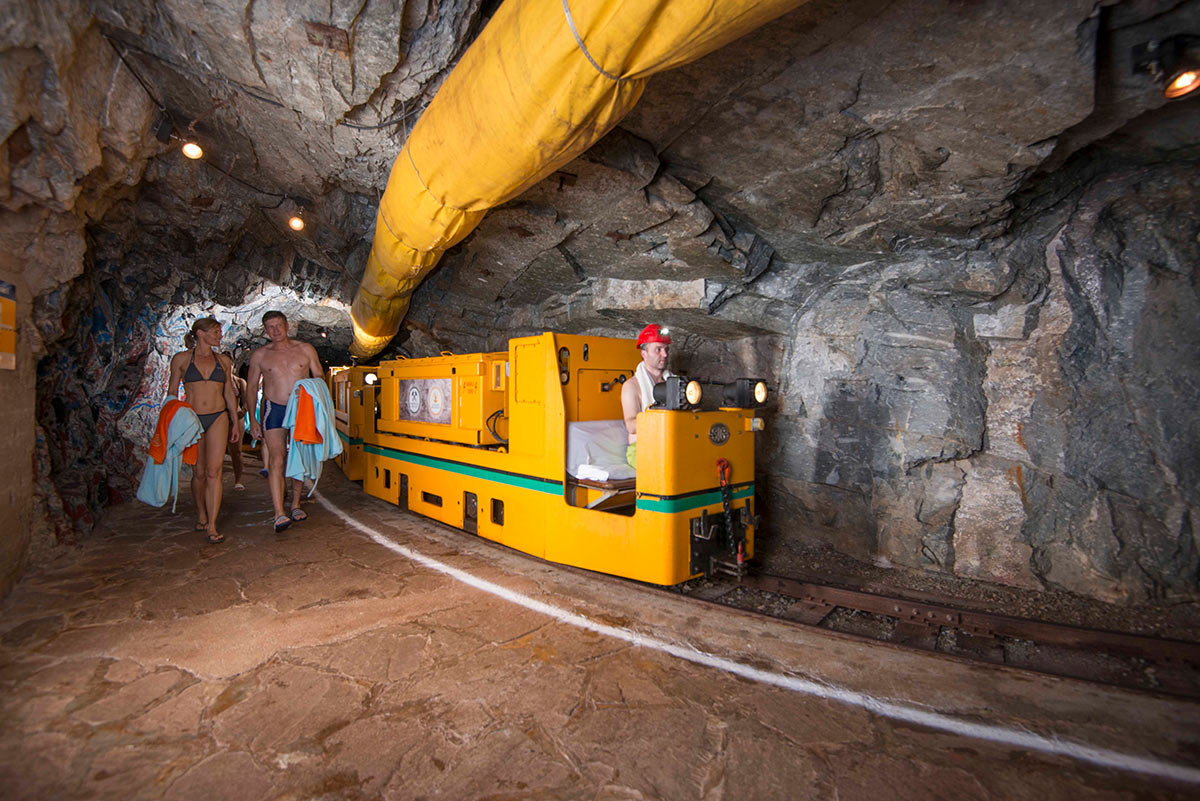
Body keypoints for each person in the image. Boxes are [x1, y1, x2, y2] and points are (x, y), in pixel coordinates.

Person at [246, 311, 324, 533]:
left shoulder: (305, 349)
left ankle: (296, 504)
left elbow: (319, 376)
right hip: (275, 408)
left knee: (298, 454)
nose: (275, 330)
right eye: (270, 327)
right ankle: (279, 511)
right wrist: (252, 419)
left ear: (287, 325)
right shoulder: (260, 355)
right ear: (265, 330)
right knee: (277, 458)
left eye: (278, 325)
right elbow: (251, 388)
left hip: (301, 409)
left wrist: (312, 393)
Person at [166, 318, 240, 543]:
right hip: (193, 418)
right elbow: (171, 393)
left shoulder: (224, 361)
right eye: (216, 331)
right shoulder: (181, 359)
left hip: (218, 416)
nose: (220, 335)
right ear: (200, 333)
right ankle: (201, 514)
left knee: (213, 471)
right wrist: (168, 422)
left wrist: (235, 420)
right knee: (198, 472)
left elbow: (228, 392)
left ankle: (213, 525)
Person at [620, 323, 675, 469]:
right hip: (641, 448)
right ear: (644, 353)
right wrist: (662, 416)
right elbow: (631, 426)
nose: (665, 354)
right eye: (658, 349)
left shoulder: (675, 382)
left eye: (666, 349)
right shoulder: (631, 386)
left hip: (671, 443)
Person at [224, 355, 248, 490]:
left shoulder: (239, 382)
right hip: (221, 417)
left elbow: (246, 403)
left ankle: (238, 479)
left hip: (237, 418)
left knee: (236, 451)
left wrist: (242, 411)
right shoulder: (217, 382)